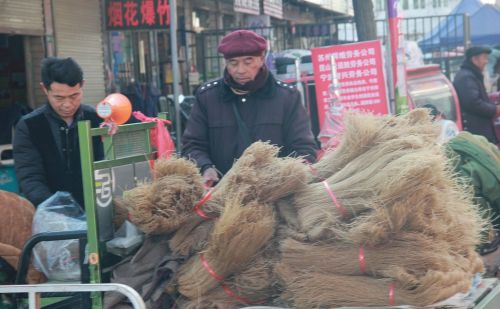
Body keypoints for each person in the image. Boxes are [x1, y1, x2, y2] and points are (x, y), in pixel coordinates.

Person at [182, 30, 318, 186]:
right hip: (222, 194)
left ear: (261, 59)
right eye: (233, 63)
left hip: (274, 195)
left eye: (248, 62)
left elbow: (304, 148)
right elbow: (192, 145)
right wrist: (205, 167)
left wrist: (287, 178)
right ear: (226, 63)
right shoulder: (208, 97)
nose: (240, 70)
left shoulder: (287, 97)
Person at [13, 57, 103, 208]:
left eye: (74, 96)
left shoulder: (97, 118)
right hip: (51, 215)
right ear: (44, 89)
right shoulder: (29, 125)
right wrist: (55, 209)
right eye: (59, 98)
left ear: (82, 86)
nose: (67, 105)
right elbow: (30, 177)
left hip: (98, 208)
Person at [453, 46, 500, 144]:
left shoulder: (472, 74)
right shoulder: (466, 77)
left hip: (480, 129)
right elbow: (473, 103)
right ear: (474, 59)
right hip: (476, 131)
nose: (486, 61)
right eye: (484, 58)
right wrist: (494, 110)